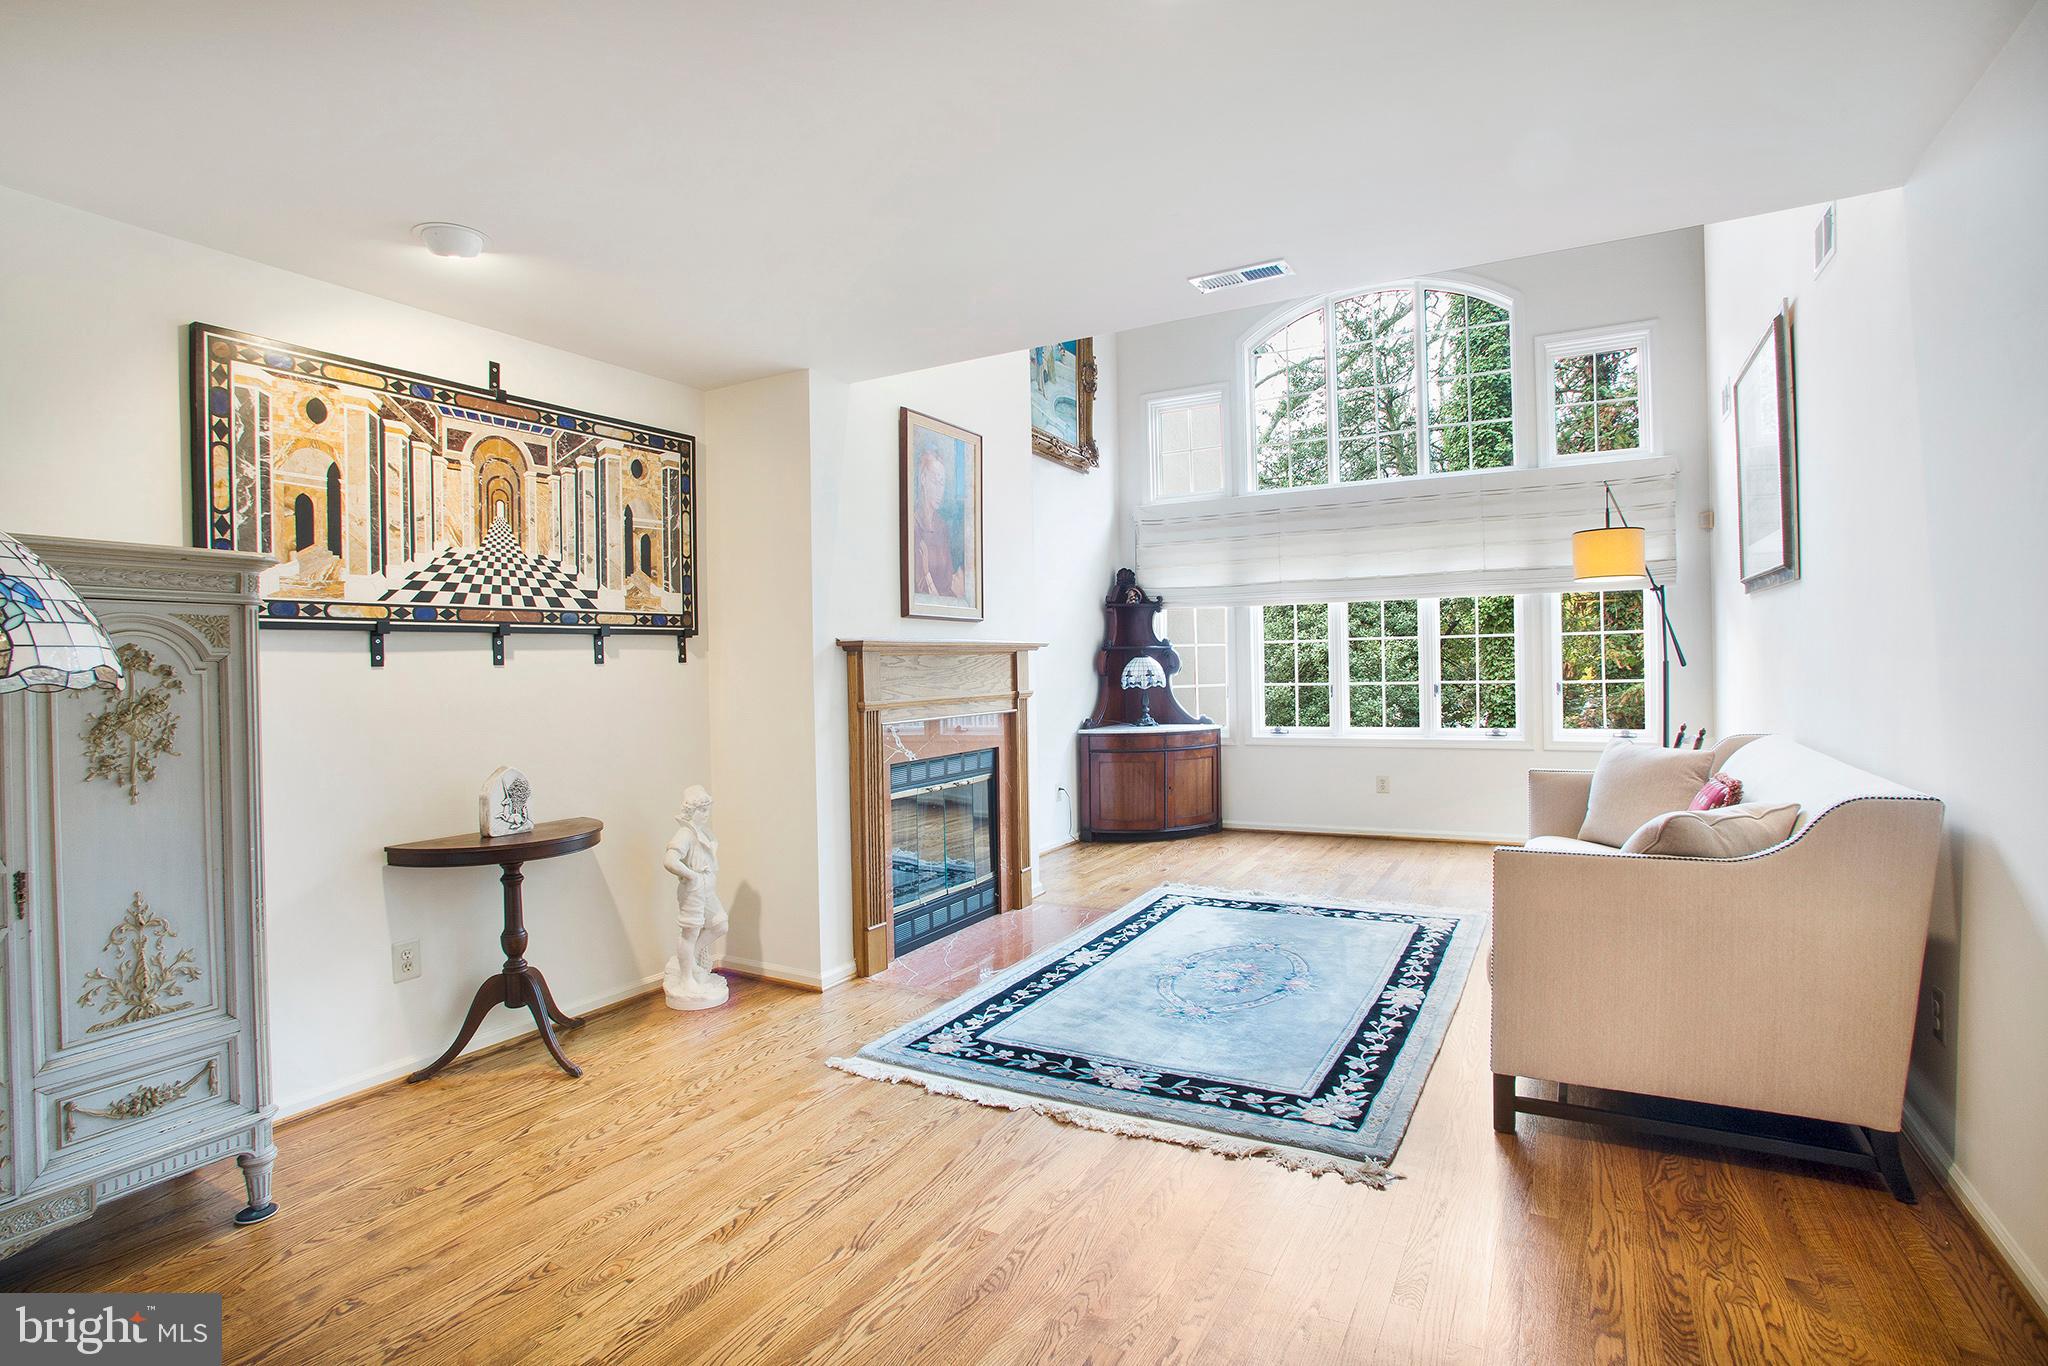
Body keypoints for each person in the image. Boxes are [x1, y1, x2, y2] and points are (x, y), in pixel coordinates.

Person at [913, 441, 965, 599]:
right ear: (922, 479)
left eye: (942, 483)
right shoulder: (913, 525)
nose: (939, 490)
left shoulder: (942, 527)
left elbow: (949, 581)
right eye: (935, 482)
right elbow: (920, 591)